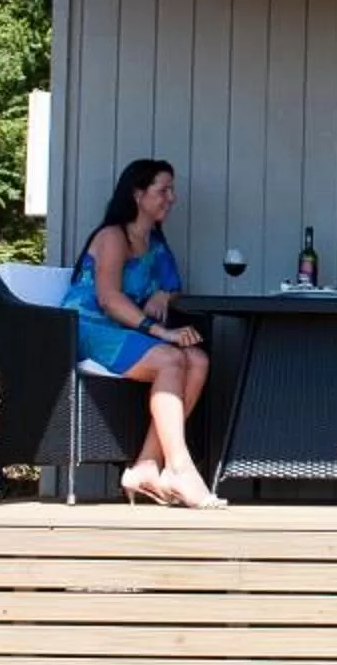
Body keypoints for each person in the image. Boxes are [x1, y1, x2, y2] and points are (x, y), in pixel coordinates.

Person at [64, 157, 225, 509]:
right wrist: (161, 333)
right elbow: (108, 299)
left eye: (172, 190)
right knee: (171, 357)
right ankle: (179, 467)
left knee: (196, 359)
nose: (172, 197)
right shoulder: (113, 236)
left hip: (124, 330)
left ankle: (147, 466)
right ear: (138, 195)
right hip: (89, 328)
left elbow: (173, 283)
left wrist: (164, 294)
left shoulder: (154, 242)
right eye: (163, 190)